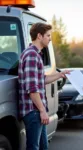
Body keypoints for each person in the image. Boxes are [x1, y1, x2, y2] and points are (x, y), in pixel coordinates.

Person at [18, 22, 69, 150]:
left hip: (37, 111)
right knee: (34, 147)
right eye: (48, 35)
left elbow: (41, 80)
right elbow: (32, 88)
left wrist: (59, 75)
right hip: (33, 111)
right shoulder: (31, 55)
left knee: (42, 147)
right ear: (39, 36)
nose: (50, 38)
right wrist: (42, 111)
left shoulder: (36, 55)